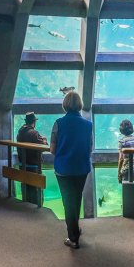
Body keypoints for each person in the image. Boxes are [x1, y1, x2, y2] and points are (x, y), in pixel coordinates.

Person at [50, 91, 94, 249]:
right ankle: (75, 229)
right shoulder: (88, 125)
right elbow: (90, 148)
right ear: (80, 105)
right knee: (76, 199)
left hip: (63, 169)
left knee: (68, 202)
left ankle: (73, 237)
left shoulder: (59, 123)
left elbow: (52, 149)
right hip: (81, 168)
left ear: (65, 105)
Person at [16, 113, 48, 204]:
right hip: (34, 166)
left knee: (26, 189)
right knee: (36, 191)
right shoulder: (34, 133)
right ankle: (36, 211)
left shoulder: (20, 132)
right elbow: (44, 146)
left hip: (23, 166)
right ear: (34, 122)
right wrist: (44, 139)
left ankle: (26, 208)